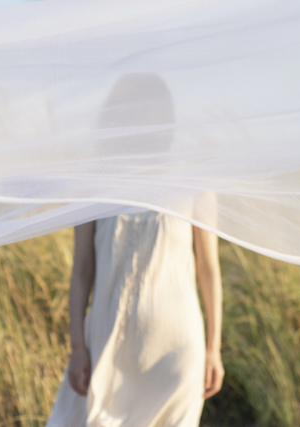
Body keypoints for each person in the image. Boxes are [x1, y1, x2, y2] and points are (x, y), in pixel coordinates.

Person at [46, 74, 225, 426]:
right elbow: (82, 270)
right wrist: (78, 347)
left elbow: (208, 269)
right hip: (108, 350)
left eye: (148, 112)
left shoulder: (194, 181)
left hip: (175, 355)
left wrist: (213, 349)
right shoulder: (94, 183)